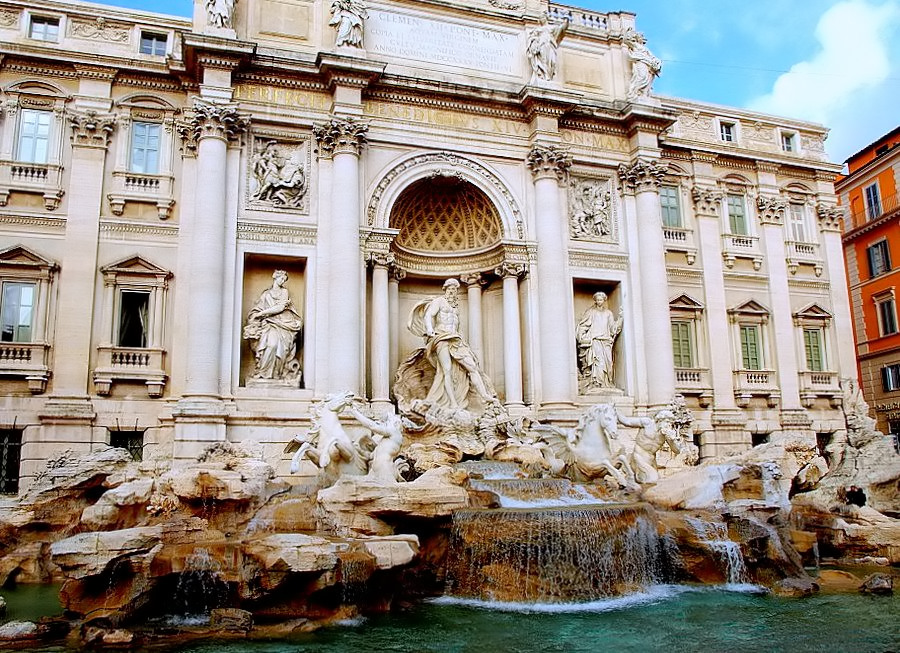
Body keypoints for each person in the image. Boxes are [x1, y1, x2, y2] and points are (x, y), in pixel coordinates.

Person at [411, 278, 495, 411]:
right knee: (446, 371)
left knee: (472, 367)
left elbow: (457, 327)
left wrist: (464, 344)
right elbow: (428, 315)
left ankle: (484, 395)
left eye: (454, 289)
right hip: (442, 338)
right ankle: (453, 403)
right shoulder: (439, 302)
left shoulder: (455, 308)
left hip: (455, 340)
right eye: (449, 289)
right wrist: (429, 329)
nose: (452, 291)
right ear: (445, 289)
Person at [243, 270, 303, 381]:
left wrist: (261, 314)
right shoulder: (266, 294)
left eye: (284, 280)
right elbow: (257, 308)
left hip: (283, 325)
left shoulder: (284, 292)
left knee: (276, 347)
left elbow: (280, 308)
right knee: (270, 345)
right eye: (281, 279)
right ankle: (263, 373)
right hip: (269, 325)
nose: (283, 281)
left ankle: (276, 374)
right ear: (275, 277)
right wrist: (256, 315)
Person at [576, 291, 623, 390]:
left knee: (608, 363)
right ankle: (597, 383)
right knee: (598, 363)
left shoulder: (608, 313)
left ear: (604, 300)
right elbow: (583, 325)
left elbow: (613, 328)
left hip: (606, 341)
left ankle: (607, 383)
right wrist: (582, 336)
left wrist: (620, 319)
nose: (599, 301)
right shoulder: (591, 312)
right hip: (595, 341)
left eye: (601, 300)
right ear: (595, 301)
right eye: (597, 300)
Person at [526, 16, 568, 82]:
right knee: (543, 60)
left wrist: (566, 22)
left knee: (553, 62)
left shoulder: (552, 27)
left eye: (542, 18)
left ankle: (549, 75)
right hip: (542, 46)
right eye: (540, 19)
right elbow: (532, 39)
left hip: (549, 45)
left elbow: (561, 29)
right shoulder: (537, 30)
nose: (541, 20)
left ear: (546, 18)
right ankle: (545, 76)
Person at [624, 28, 661, 101]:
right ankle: (634, 92)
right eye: (641, 36)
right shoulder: (635, 45)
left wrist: (657, 61)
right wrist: (629, 33)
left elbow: (652, 56)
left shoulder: (645, 48)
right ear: (637, 38)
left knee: (648, 79)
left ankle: (644, 94)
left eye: (642, 37)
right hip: (640, 61)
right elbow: (626, 40)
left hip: (648, 63)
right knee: (642, 77)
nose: (642, 38)